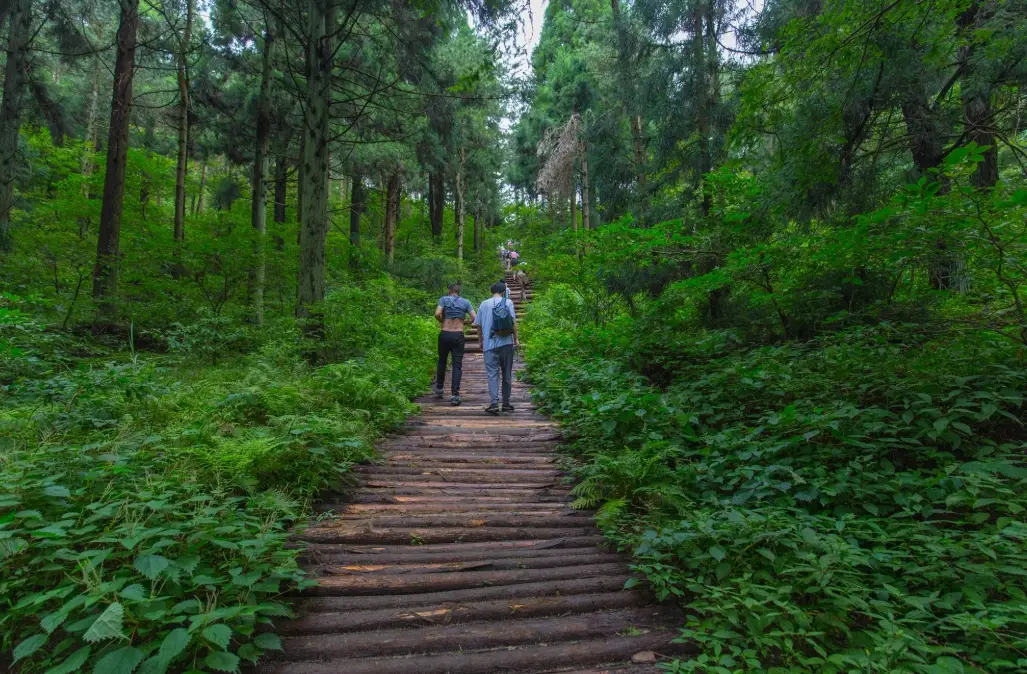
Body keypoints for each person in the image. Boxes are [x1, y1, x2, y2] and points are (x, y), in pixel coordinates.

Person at [473, 281, 519, 415]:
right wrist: (516, 339)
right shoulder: (508, 302)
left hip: (489, 344)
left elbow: (478, 325)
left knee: (492, 374)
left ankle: (494, 403)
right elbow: (513, 322)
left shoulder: (483, 304)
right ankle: (506, 403)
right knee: (507, 373)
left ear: (491, 291)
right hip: (506, 343)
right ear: (504, 292)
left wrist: (480, 341)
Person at [434, 282, 475, 406]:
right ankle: (455, 395)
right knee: (457, 365)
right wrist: (465, 322)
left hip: (445, 333)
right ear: (459, 292)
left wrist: (442, 320)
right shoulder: (466, 302)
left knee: (442, 361)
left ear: (449, 291)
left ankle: (440, 389)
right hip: (458, 334)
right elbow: (474, 317)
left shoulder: (443, 299)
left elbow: (437, 314)